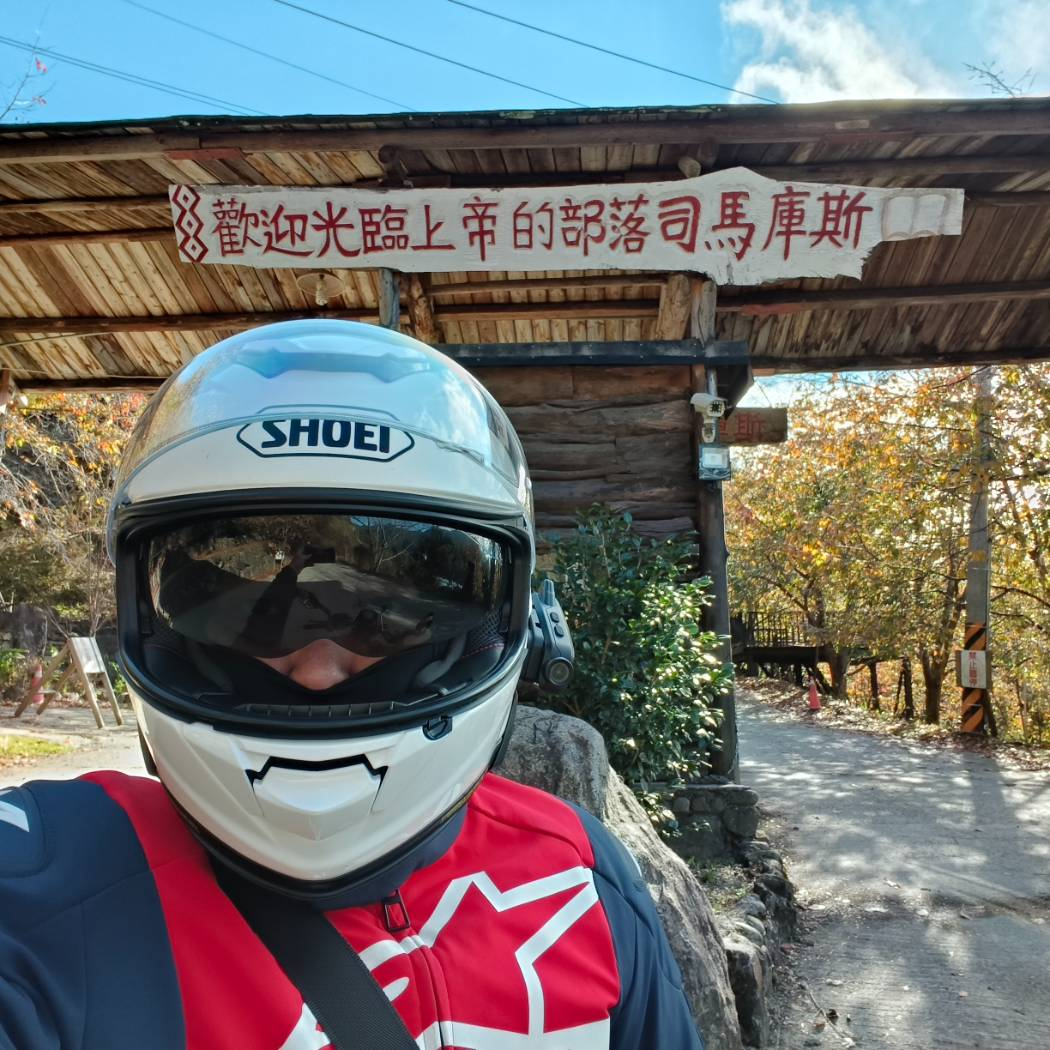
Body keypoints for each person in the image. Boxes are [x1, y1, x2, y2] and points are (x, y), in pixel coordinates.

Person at [0, 320, 704, 1050]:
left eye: (386, 622)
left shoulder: (583, 877)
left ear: (499, 631)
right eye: (251, 619)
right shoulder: (45, 881)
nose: (317, 671)